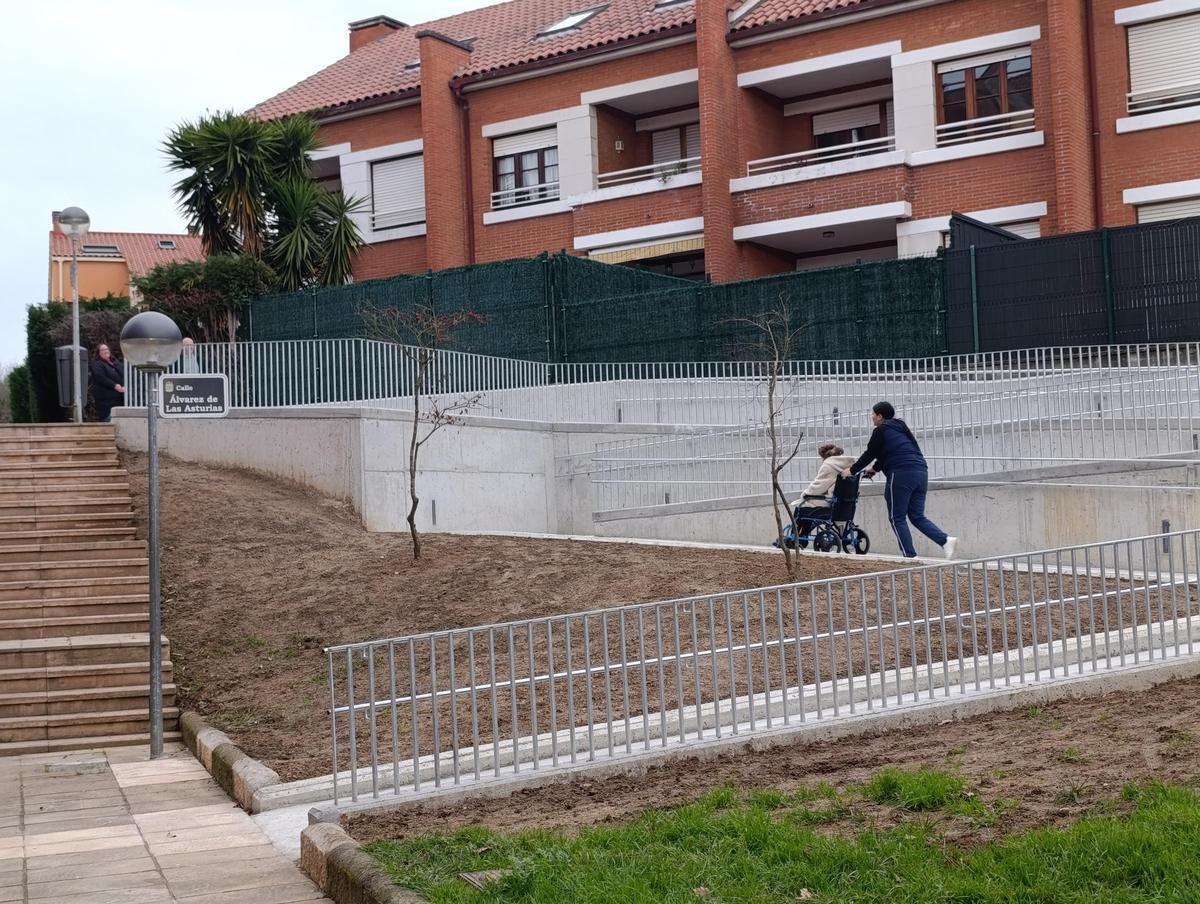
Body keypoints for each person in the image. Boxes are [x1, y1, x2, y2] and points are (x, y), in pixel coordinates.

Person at [843, 401, 959, 560]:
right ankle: (945, 541)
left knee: (897, 517)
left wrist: (851, 470)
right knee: (917, 516)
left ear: (880, 416)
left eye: (873, 414)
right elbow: (890, 452)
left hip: (901, 474)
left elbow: (870, 453)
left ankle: (909, 556)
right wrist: (875, 469)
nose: (871, 418)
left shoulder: (880, 430)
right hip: (921, 472)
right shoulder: (901, 428)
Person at [789, 443, 855, 547]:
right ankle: (802, 537)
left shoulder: (828, 466)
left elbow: (818, 486)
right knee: (807, 508)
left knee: (801, 508)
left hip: (828, 504)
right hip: (845, 505)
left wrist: (805, 494)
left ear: (825, 456)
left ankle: (797, 538)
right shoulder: (849, 466)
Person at [89, 343, 125, 423]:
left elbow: (124, 374)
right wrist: (114, 385)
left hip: (119, 398)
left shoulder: (115, 362)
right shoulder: (97, 364)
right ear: (99, 352)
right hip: (106, 400)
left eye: (107, 349)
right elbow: (100, 377)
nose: (106, 351)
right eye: (103, 349)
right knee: (108, 419)